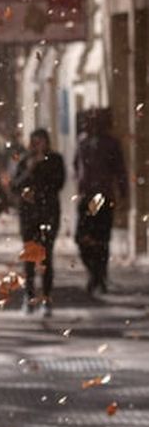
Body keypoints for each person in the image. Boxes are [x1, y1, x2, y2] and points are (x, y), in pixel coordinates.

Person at [11, 128, 65, 316]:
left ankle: (47, 298)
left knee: (46, 257)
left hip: (48, 213)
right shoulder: (25, 160)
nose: (38, 145)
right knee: (30, 257)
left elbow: (59, 183)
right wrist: (30, 169)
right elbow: (15, 186)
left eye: (41, 141)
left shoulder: (55, 160)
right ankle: (29, 295)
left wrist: (44, 167)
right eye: (35, 142)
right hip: (28, 215)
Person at [74, 112, 129, 295]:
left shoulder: (111, 144)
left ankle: (99, 275)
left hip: (103, 196)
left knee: (101, 239)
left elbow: (119, 170)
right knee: (83, 237)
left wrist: (123, 193)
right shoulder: (82, 143)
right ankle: (95, 272)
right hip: (87, 196)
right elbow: (77, 166)